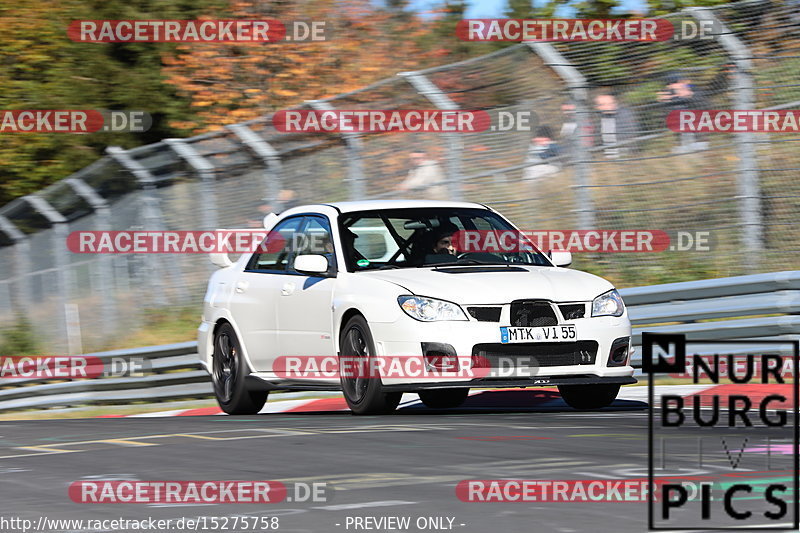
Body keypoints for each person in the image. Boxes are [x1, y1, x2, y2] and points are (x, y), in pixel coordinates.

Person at [658, 73, 709, 153]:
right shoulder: (668, 92)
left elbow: (702, 103)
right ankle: (687, 146)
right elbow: (665, 109)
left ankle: (697, 144)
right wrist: (670, 98)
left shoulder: (691, 88)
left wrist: (689, 95)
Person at [594, 91, 639, 158]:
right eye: (603, 104)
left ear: (615, 103)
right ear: (597, 107)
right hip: (605, 155)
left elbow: (629, 135)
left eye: (610, 103)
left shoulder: (625, 115)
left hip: (625, 153)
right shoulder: (597, 118)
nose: (607, 106)